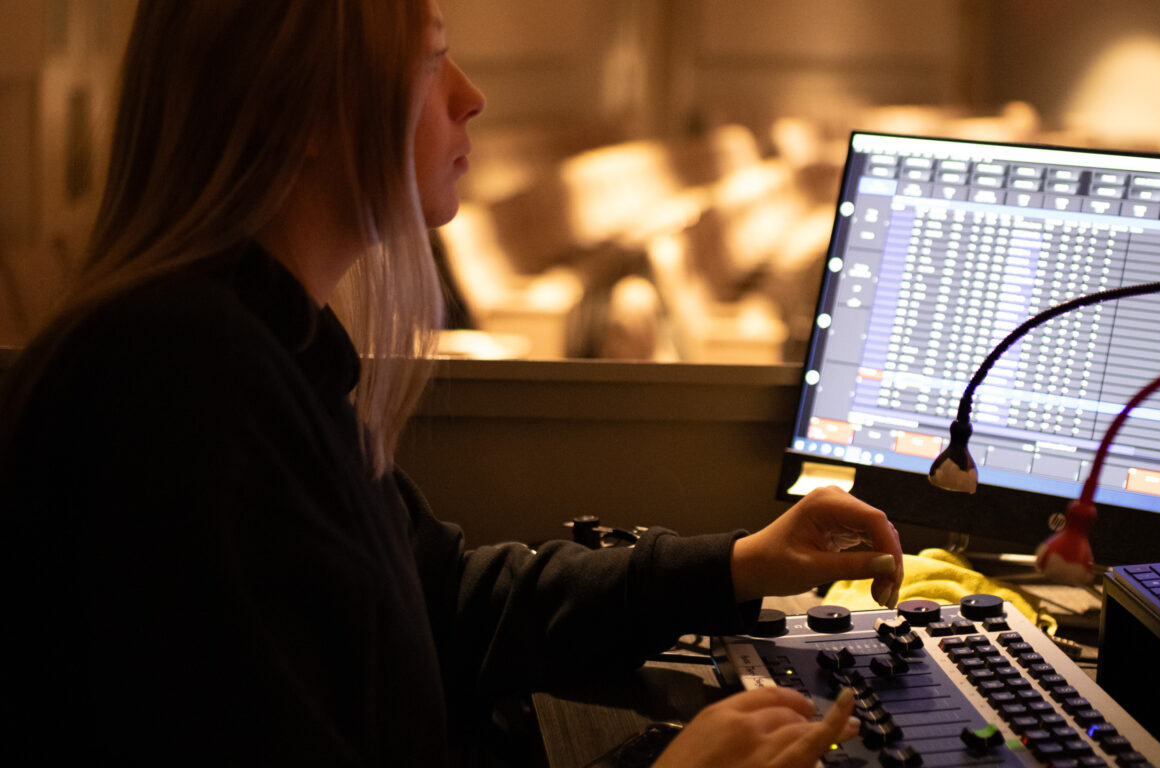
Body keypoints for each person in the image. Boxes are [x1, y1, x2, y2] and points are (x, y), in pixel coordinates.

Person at [0, 1, 905, 765]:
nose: (471, 98)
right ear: (302, 113)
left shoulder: (258, 348)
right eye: (432, 62)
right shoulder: (184, 394)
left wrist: (741, 563)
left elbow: (452, 605)